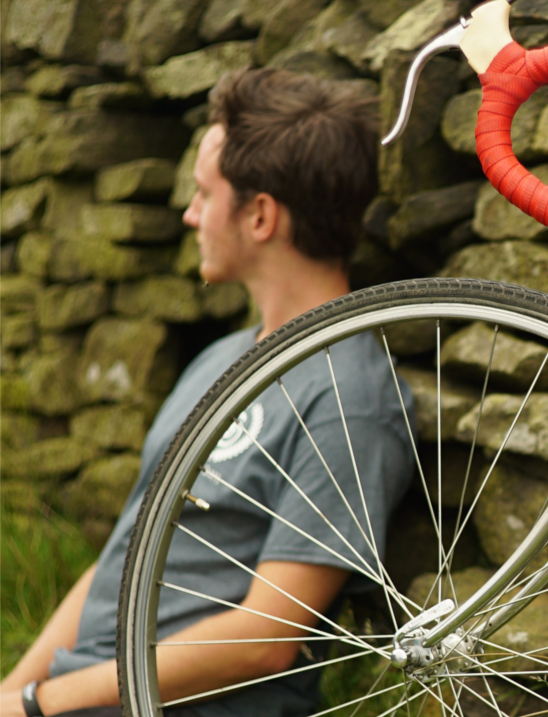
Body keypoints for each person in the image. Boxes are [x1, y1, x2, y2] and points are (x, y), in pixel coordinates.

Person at [0, 69, 415, 717]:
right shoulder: (221, 361)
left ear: (259, 214)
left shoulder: (349, 398)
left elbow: (266, 638)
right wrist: (15, 691)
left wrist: (37, 703)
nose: (189, 214)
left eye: (202, 194)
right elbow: (121, 555)